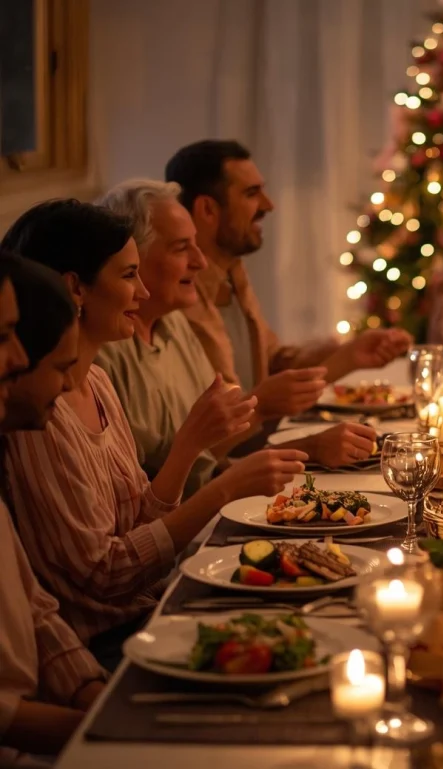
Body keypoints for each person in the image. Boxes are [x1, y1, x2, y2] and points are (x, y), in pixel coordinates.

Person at [0, 200, 307, 664]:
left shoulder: (97, 381)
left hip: (152, 608)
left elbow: (141, 518)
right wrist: (220, 490)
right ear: (75, 288)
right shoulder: (40, 416)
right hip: (108, 642)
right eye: (127, 277)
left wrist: (193, 452)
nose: (142, 292)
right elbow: (107, 574)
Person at [95, 180, 380, 496]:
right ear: (132, 256)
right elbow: (156, 488)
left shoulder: (175, 323)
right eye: (180, 248)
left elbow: (211, 458)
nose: (200, 262)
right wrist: (262, 409)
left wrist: (311, 447)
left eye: (195, 245)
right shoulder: (104, 354)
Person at [164, 139, 412, 403]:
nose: (268, 205)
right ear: (207, 209)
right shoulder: (177, 294)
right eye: (251, 193)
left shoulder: (233, 274)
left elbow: (272, 366)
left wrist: (351, 354)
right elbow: (224, 416)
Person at [0, 253, 109, 763]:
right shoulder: (36, 434)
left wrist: (95, 693)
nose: (17, 357)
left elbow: (35, 607)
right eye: (4, 337)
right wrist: (105, 735)